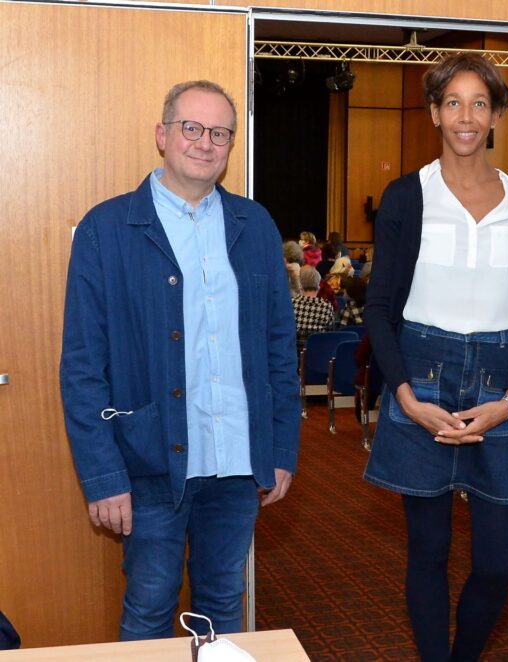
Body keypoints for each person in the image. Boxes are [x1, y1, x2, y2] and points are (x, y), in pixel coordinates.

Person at [59, 80, 300, 640]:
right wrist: (102, 477)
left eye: (220, 133)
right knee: (149, 607)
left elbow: (277, 350)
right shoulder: (107, 228)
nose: (205, 143)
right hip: (147, 463)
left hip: (238, 462)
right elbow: (82, 367)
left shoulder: (255, 225)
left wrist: (281, 447)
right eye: (192, 128)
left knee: (223, 605)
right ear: (162, 134)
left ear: (230, 144)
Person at [363, 53, 508, 662]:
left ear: (497, 114)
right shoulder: (404, 196)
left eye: (479, 103)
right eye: (453, 103)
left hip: (500, 389)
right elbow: (380, 308)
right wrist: (405, 396)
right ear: (434, 114)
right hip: (422, 379)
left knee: (498, 564)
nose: (466, 116)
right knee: (430, 553)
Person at [293, 265, 337, 348]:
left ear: (301, 285)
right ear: (318, 286)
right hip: (317, 352)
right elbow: (330, 333)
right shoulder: (326, 306)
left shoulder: (292, 303)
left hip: (294, 353)